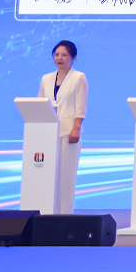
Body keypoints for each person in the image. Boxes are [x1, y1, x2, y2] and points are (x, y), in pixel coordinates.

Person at [38, 39, 87, 214]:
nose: (59, 58)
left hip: (68, 132)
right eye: (56, 54)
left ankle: (65, 214)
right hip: (49, 132)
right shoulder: (46, 79)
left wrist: (76, 128)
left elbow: (80, 105)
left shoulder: (78, 77)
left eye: (64, 55)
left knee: (66, 176)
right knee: (48, 175)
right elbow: (41, 104)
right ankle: (47, 212)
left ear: (73, 57)